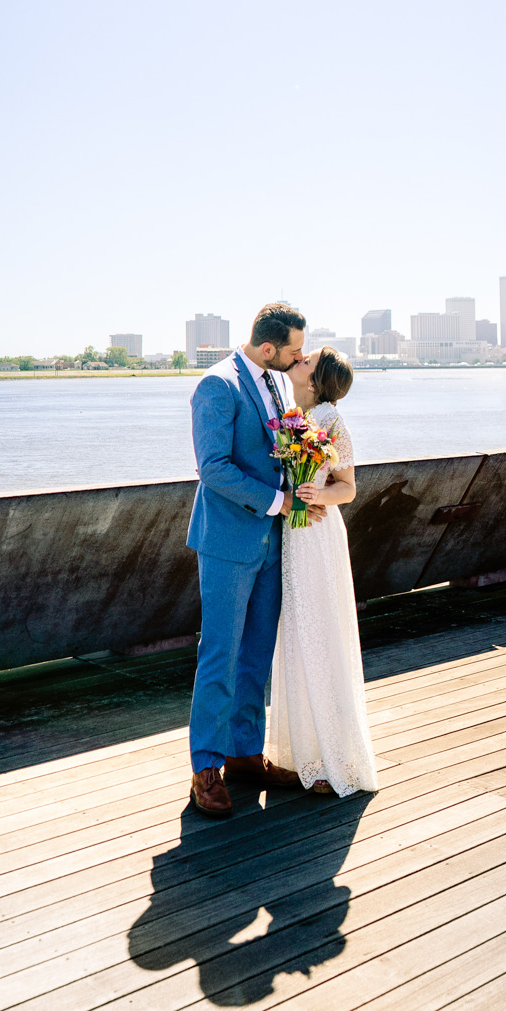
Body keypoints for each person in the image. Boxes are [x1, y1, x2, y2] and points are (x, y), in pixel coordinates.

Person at [186, 302, 313, 817]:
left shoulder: (279, 384)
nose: (298, 358)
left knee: (257, 654)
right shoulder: (216, 386)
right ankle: (205, 769)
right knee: (219, 655)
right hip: (227, 543)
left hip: (272, 543)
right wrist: (280, 501)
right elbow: (212, 468)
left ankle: (244, 756)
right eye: (294, 351)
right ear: (268, 348)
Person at [266, 346, 378, 797]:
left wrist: (316, 493)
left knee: (319, 634)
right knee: (296, 636)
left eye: (307, 360)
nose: (299, 360)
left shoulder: (330, 418)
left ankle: (334, 759)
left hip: (317, 537)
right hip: (294, 536)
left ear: (315, 380)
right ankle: (304, 755)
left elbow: (347, 489)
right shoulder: (294, 414)